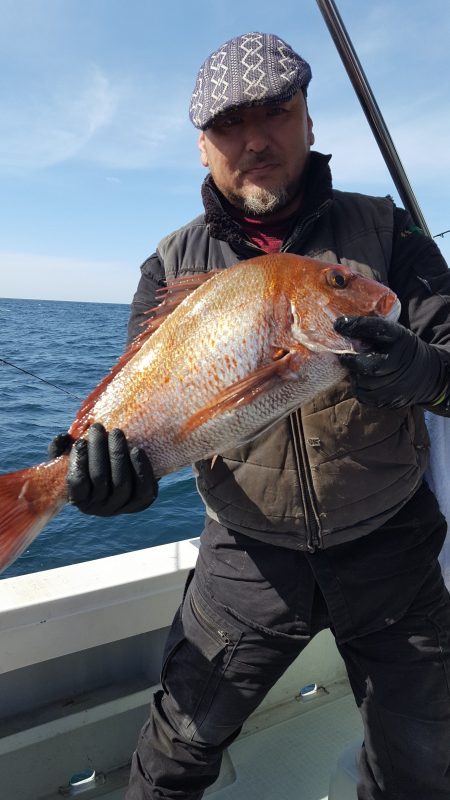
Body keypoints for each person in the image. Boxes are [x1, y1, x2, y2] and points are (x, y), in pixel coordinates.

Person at [52, 32, 450, 800]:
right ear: (202, 148)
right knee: (171, 757)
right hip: (245, 556)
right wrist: (110, 478)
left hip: (392, 548)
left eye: (276, 111)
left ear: (308, 119)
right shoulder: (169, 265)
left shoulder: (389, 232)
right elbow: (141, 405)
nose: (255, 139)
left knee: (423, 769)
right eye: (229, 126)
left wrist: (422, 371)